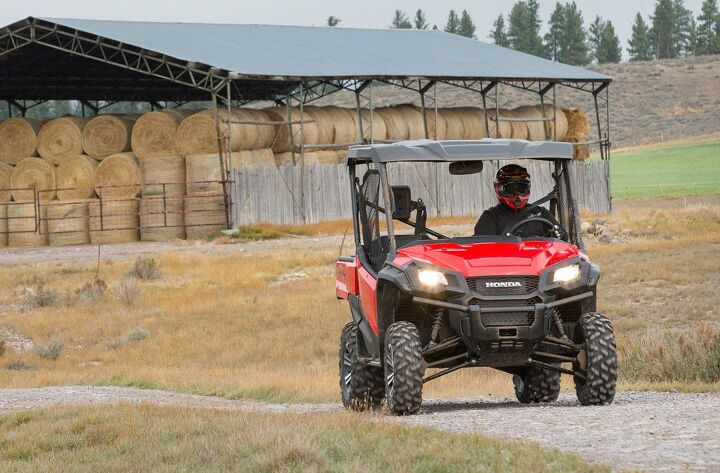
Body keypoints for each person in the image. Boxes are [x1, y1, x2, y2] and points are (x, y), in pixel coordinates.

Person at [474, 164, 562, 238]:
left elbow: (563, 238)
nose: (517, 194)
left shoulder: (541, 213)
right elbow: (482, 247)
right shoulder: (491, 216)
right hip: (506, 258)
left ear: (527, 188)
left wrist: (557, 234)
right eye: (511, 188)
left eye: (521, 188)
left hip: (539, 257)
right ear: (499, 189)